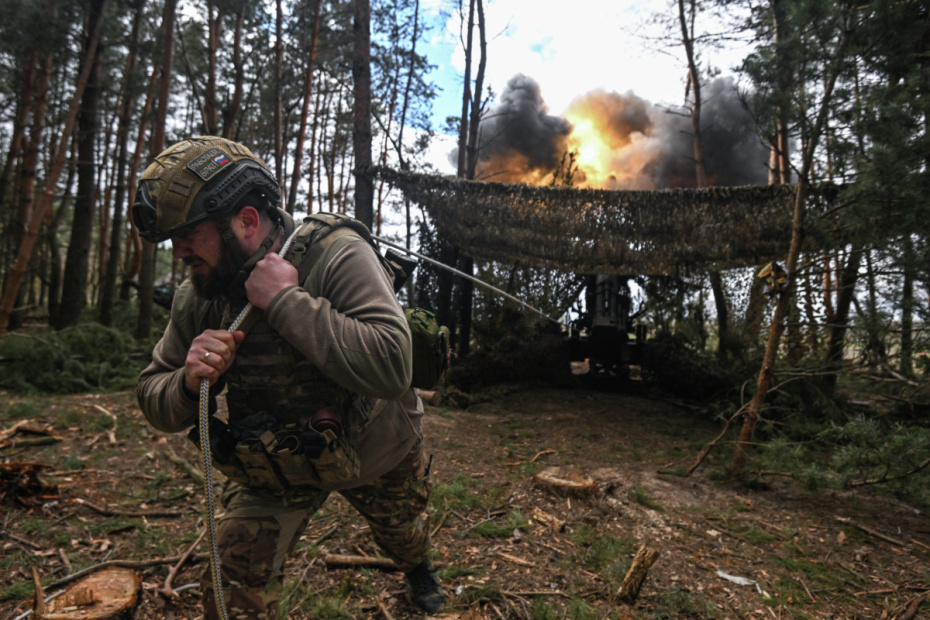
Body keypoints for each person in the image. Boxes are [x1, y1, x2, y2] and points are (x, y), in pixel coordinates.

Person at [132, 136, 445, 618]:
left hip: (375, 451)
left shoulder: (335, 254)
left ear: (247, 222)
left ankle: (417, 566)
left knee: (400, 531)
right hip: (279, 464)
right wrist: (188, 382)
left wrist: (285, 301)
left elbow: (391, 364)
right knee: (230, 585)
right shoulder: (199, 296)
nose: (179, 253)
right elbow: (153, 393)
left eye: (189, 235)